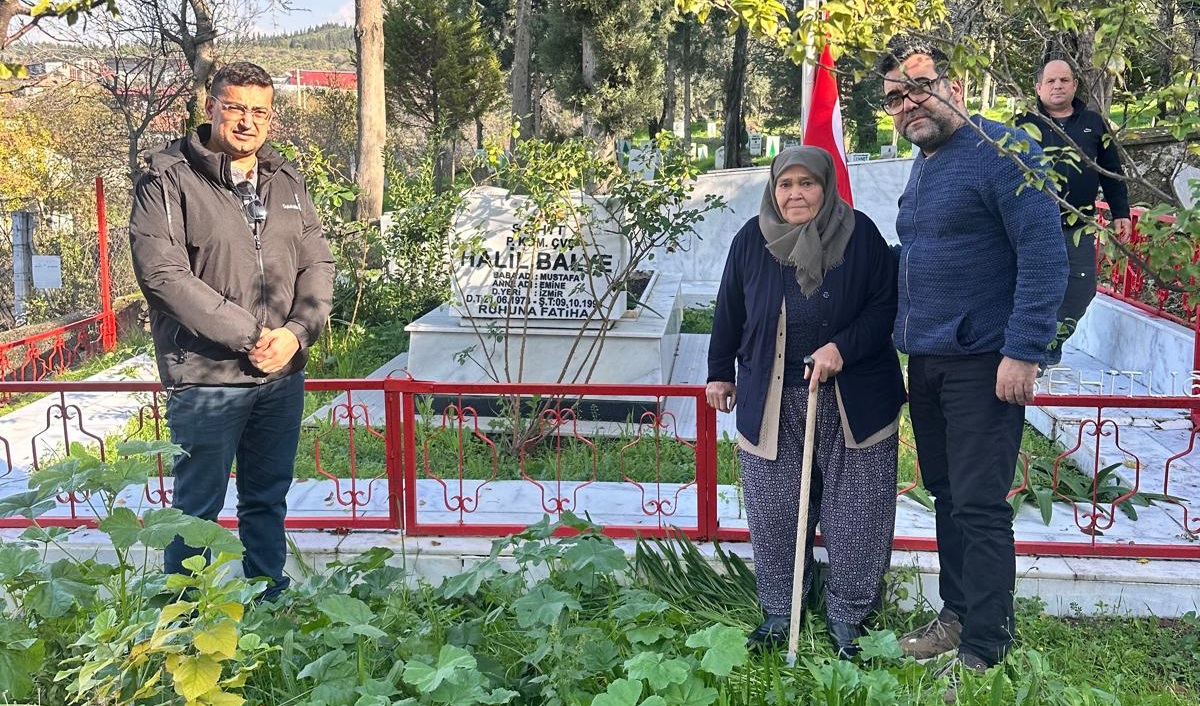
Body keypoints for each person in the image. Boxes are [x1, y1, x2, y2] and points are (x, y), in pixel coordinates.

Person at [878, 42, 1067, 685]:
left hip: (985, 361)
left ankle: (986, 647)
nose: (909, 104)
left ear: (951, 85)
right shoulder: (925, 164)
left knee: (980, 503)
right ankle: (957, 616)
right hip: (928, 359)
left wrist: (1023, 351)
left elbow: (1044, 256)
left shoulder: (1002, 151)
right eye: (895, 99)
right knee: (946, 493)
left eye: (918, 87)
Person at [129, 61, 335, 600]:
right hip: (207, 377)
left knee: (267, 498)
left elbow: (317, 265)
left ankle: (270, 604)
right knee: (197, 511)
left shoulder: (285, 180)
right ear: (211, 107)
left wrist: (295, 333)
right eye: (236, 107)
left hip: (281, 374)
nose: (248, 121)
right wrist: (253, 336)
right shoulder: (168, 179)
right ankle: (184, 624)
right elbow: (163, 276)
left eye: (260, 111)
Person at [706, 146, 906, 659]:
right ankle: (780, 608)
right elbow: (728, 310)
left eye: (807, 184)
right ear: (773, 190)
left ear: (826, 186)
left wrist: (842, 348)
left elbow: (885, 307)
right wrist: (718, 374)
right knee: (775, 511)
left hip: (852, 400)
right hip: (770, 400)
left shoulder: (860, 236)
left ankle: (849, 614)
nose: (796, 194)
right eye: (785, 185)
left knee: (856, 511)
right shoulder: (751, 240)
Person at [1016, 58, 1131, 369]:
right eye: (1051, 81)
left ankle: (1051, 345)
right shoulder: (1024, 125)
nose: (1058, 86)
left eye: (1064, 80)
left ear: (1075, 85)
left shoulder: (1093, 123)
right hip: (1034, 229)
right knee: (1034, 291)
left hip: (1077, 226)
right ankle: (1031, 353)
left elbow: (1111, 171)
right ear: (1038, 87)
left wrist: (1121, 212)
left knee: (1081, 290)